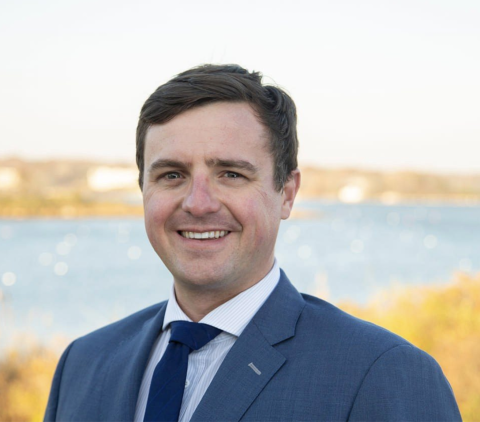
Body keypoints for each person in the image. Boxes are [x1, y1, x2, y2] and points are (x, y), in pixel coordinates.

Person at [44, 64, 461, 422]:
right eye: (172, 175)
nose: (198, 203)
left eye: (231, 174)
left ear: (287, 193)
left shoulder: (384, 374)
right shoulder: (82, 364)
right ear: (143, 189)